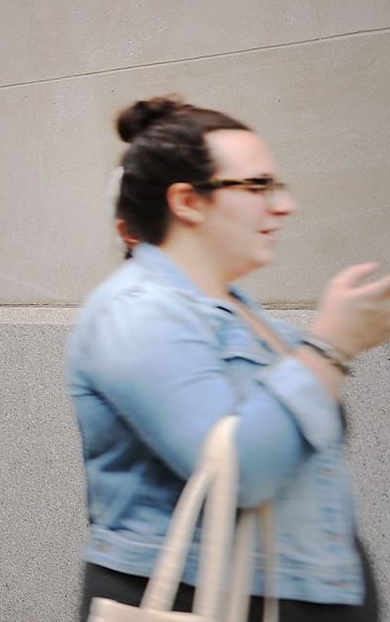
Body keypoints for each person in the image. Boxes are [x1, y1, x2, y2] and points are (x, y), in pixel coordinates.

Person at [69, 97, 390, 619]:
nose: (285, 205)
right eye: (258, 186)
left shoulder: (232, 308)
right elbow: (234, 476)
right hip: (202, 599)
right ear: (187, 202)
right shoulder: (137, 312)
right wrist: (333, 346)